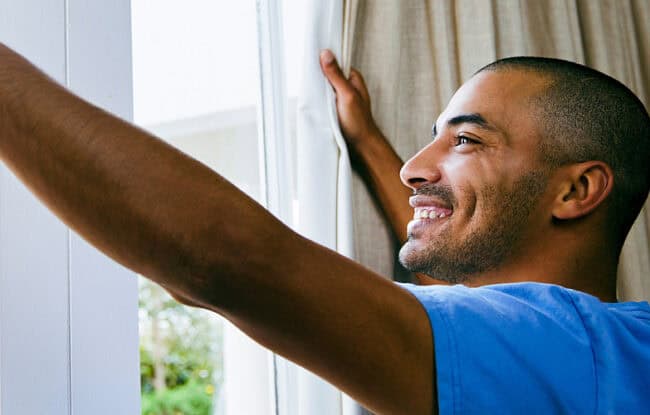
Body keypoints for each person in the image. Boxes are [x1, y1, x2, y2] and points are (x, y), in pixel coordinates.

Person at [0, 40, 648, 414]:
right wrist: (366, 141)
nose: (415, 170)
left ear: (577, 189)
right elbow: (451, 309)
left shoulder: (594, 347)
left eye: (468, 139)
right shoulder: (575, 363)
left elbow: (223, 259)